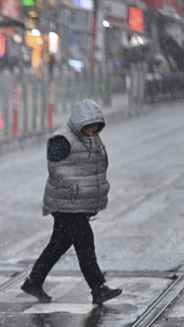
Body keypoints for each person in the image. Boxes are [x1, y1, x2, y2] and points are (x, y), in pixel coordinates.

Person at [21, 99, 122, 305]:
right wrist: (76, 187)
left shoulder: (92, 138)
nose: (94, 128)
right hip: (66, 203)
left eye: (97, 124)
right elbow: (55, 167)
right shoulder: (64, 139)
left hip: (76, 203)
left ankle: (34, 281)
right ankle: (98, 288)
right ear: (80, 123)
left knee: (59, 244)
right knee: (85, 242)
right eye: (90, 125)